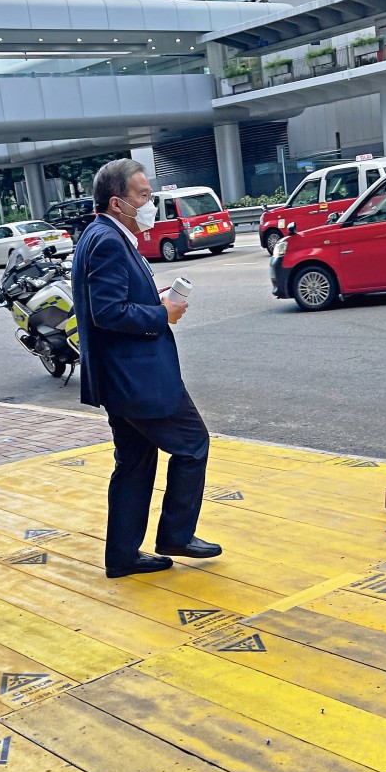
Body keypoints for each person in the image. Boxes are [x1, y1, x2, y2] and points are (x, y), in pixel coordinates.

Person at [71, 158, 222, 578]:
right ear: (117, 202)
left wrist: (152, 297)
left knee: (135, 464)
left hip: (120, 378)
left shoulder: (101, 235)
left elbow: (114, 299)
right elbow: (108, 312)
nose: (150, 203)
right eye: (143, 196)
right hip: (137, 379)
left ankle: (122, 556)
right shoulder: (107, 240)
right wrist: (163, 314)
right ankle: (175, 534)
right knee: (193, 444)